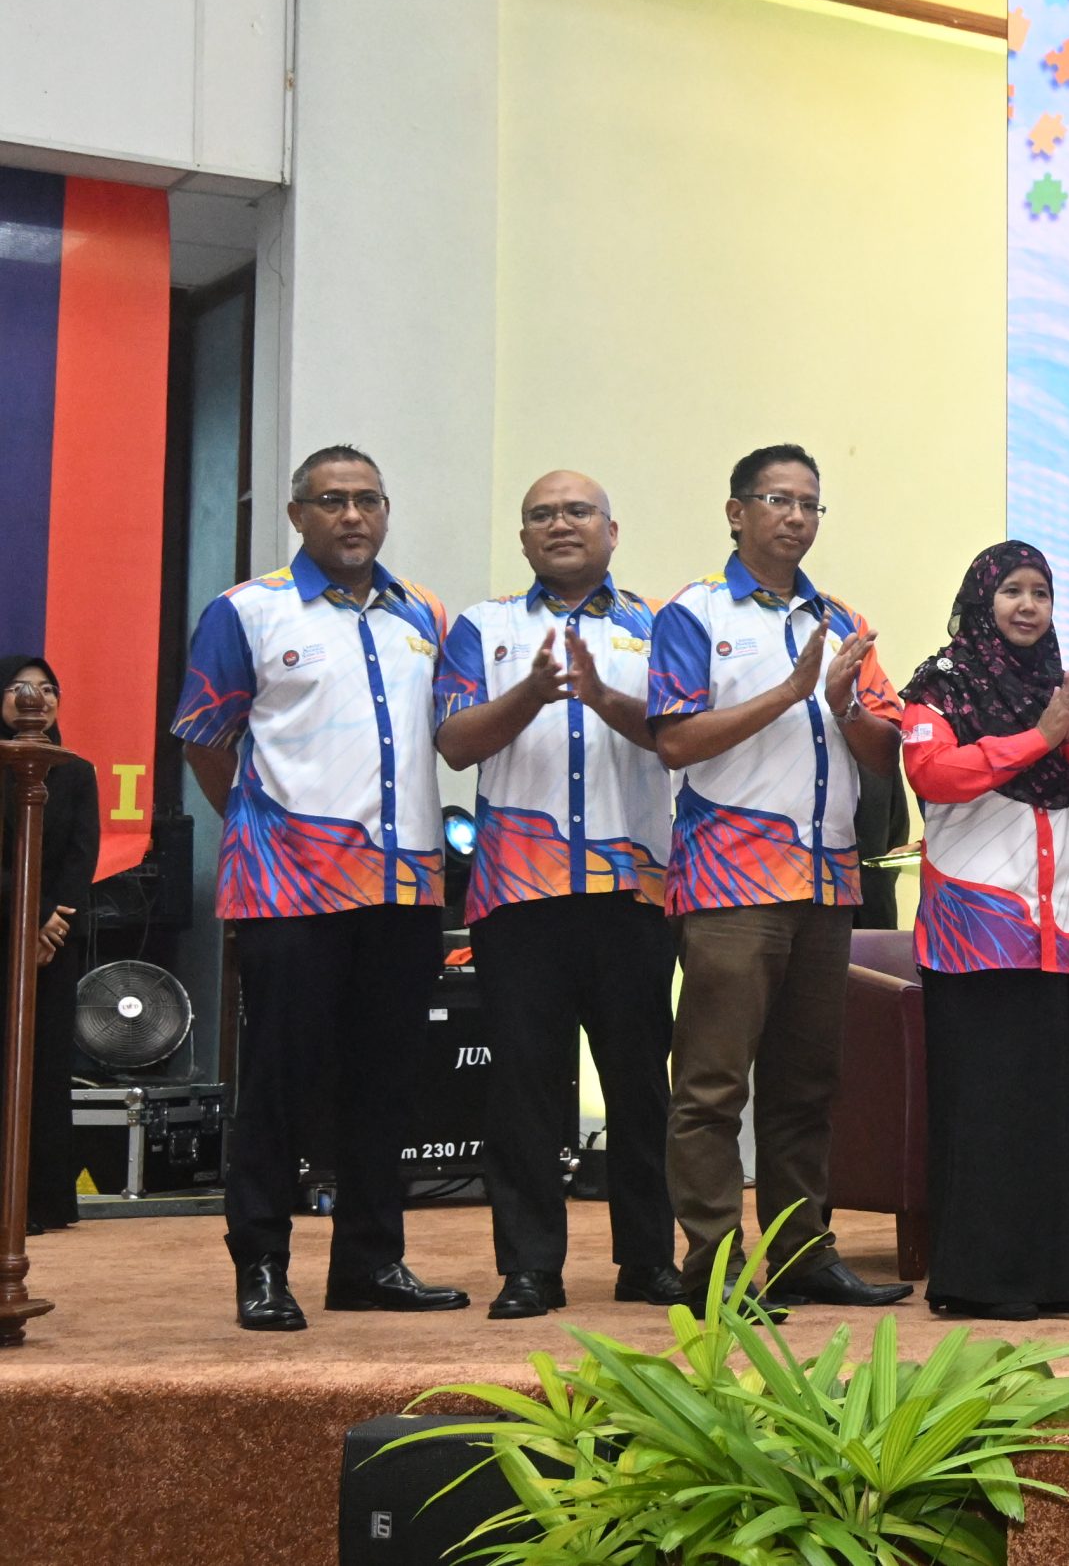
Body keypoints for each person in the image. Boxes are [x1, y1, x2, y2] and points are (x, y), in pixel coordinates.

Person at [172, 445, 470, 1331]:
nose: (352, 515)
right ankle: (261, 1265)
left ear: (386, 511)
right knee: (279, 1081)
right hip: (289, 892)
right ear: (298, 514)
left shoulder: (425, 613)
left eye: (368, 499)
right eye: (332, 500)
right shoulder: (247, 611)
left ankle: (371, 1262)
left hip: (406, 886)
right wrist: (275, 836)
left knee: (385, 1082)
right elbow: (205, 740)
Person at [646, 443, 911, 1314]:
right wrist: (793, 690)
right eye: (777, 500)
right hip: (730, 884)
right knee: (714, 1086)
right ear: (735, 511)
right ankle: (715, 1274)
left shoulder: (843, 620)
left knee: (808, 1087)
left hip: (827, 881)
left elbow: (883, 753)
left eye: (810, 504)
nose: (795, 517)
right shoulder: (695, 612)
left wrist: (841, 703)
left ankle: (801, 1253)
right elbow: (675, 740)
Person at [434, 471, 682, 1319]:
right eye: (542, 513)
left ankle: (648, 1260)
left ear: (614, 530)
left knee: (641, 1087)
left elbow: (681, 741)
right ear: (524, 537)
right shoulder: (485, 626)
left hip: (634, 894)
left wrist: (601, 695)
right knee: (526, 1091)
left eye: (578, 510)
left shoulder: (661, 626)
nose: (560, 524)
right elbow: (456, 743)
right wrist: (532, 693)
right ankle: (529, 1267)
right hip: (519, 897)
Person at [898, 541, 1069, 1320]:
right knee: (989, 1109)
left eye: (1042, 593)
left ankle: (1059, 1275)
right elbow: (936, 776)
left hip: (1060, 929)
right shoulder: (943, 682)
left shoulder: (1063, 689)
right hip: (979, 929)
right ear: (981, 599)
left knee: (1055, 1109)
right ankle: (982, 1280)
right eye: (1014, 592)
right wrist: (1037, 736)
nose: (1028, 606)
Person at [0, 656, 96, 1235]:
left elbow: (80, 858)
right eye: (18, 688)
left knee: (42, 1065)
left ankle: (41, 1201)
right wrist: (30, 914)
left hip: (51, 944)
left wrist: (52, 923)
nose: (35, 698)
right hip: (11, 926)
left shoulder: (76, 771)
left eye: (47, 689)